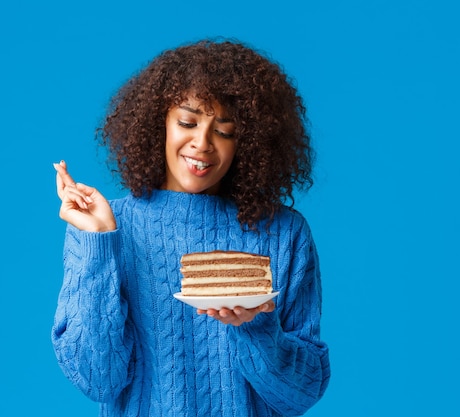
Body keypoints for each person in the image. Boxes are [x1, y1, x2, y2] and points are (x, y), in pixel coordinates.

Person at [52, 39, 330, 416]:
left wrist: (256, 327)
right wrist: (99, 244)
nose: (202, 143)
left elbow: (302, 393)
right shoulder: (108, 229)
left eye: (225, 131)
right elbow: (98, 379)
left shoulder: (284, 233)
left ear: (246, 143)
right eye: (187, 122)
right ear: (158, 123)